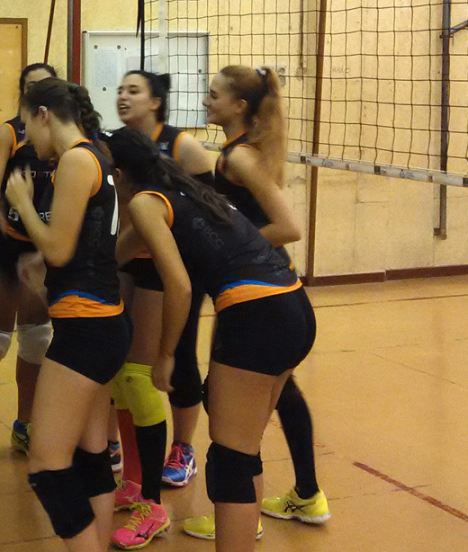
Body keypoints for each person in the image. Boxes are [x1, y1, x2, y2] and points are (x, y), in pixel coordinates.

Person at [108, 127, 316, 552]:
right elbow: (117, 254)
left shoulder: (145, 203)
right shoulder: (184, 190)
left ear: (118, 175)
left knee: (230, 460)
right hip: (294, 305)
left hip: (255, 315)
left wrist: (166, 356)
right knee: (243, 450)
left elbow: (179, 287)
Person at [183, 65, 329, 540]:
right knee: (252, 419)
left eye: (214, 95)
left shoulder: (240, 158)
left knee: (234, 431)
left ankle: (250, 514)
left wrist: (230, 250)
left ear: (239, 106)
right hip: (262, 298)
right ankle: (265, 509)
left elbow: (289, 227)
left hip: (261, 299)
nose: (207, 101)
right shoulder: (234, 153)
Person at [5, 78, 131, 552]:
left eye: (26, 125)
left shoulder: (77, 160)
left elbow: (59, 249)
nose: (25, 137)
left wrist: (22, 204)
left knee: (45, 466)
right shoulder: (90, 157)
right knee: (90, 454)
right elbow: (81, 244)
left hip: (87, 329)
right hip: (100, 322)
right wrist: (45, 266)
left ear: (44, 114)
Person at [108, 70, 215, 549]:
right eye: (121, 89)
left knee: (150, 372)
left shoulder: (180, 148)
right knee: (122, 373)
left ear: (155, 100)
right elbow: (119, 246)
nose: (123, 96)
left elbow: (211, 207)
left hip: (175, 270)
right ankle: (135, 481)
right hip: (141, 261)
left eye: (134, 90)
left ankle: (158, 494)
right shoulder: (126, 152)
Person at [0, 63, 57, 465]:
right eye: (31, 86)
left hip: (41, 246)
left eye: (45, 85)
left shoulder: (64, 135)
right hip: (4, 246)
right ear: (22, 93)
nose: (38, 92)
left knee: (37, 338)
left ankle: (25, 424)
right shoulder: (8, 132)